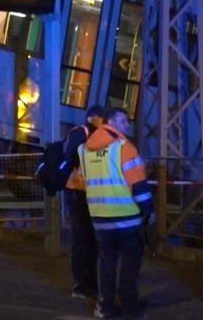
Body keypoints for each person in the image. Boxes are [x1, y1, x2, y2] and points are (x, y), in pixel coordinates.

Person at [80, 107, 154, 319]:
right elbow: (139, 185)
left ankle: (105, 308)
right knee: (130, 264)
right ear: (110, 122)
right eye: (123, 121)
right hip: (127, 218)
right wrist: (148, 211)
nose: (127, 125)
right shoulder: (124, 147)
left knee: (107, 264)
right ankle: (130, 307)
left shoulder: (86, 150)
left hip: (100, 220)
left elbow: (87, 182)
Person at [64, 105, 103, 301]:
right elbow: (72, 159)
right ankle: (81, 285)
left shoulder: (96, 135)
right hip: (77, 192)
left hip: (90, 193)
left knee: (91, 240)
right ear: (94, 118)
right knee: (82, 239)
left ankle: (90, 283)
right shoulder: (81, 133)